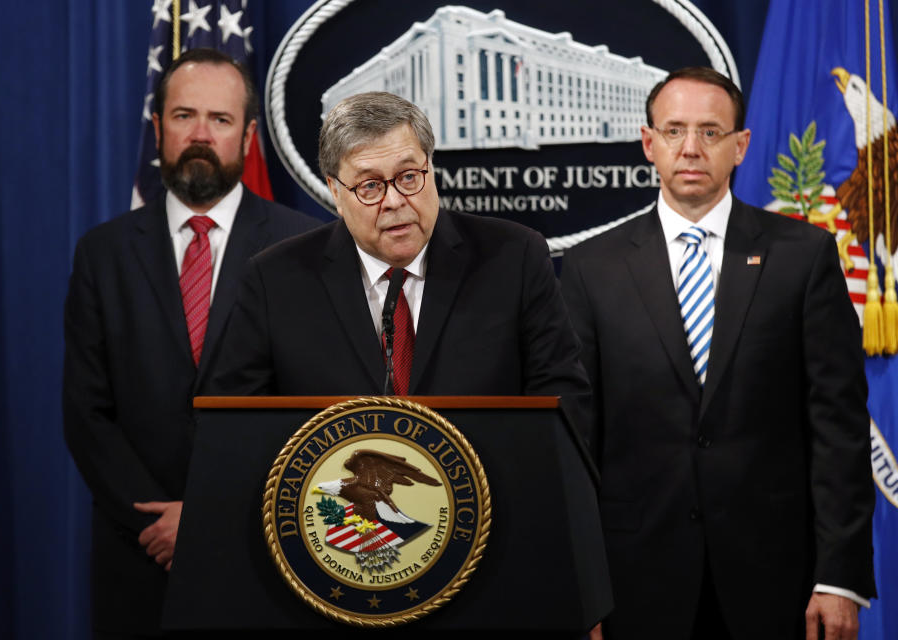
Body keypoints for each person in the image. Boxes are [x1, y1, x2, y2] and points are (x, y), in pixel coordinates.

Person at [560, 66, 876, 640]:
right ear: (648, 143)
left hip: (779, 583)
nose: (690, 148)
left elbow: (840, 428)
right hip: (634, 583)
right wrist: (581, 588)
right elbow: (576, 439)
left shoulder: (802, 256)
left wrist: (839, 578)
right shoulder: (590, 268)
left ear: (740, 147)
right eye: (674, 130)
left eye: (710, 132)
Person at [62, 48, 319, 638]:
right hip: (140, 553)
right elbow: (86, 413)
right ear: (157, 128)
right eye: (184, 116)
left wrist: (210, 517)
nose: (201, 134)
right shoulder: (101, 253)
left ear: (249, 137)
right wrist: (156, 521)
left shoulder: (304, 249)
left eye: (220, 119)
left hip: (265, 553)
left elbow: (307, 407)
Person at [206, 90, 589, 399]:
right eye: (370, 185)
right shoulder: (276, 281)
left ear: (431, 168)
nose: (394, 201)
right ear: (336, 192)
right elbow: (240, 423)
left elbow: (561, 402)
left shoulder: (514, 259)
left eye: (408, 176)